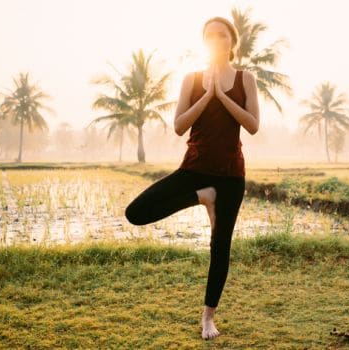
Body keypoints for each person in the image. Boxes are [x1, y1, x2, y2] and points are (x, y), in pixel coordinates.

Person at [124, 16, 260, 340]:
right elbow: (179, 125)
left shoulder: (245, 79)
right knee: (136, 212)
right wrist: (207, 95)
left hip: (229, 174)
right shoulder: (191, 79)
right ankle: (202, 196)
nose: (216, 39)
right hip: (194, 169)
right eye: (210, 35)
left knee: (220, 246)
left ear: (232, 41)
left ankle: (208, 318)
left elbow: (253, 125)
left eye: (222, 35)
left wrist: (223, 97)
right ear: (204, 41)